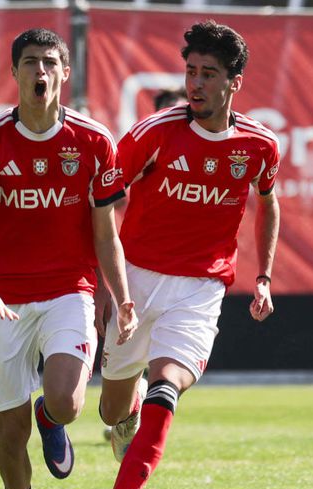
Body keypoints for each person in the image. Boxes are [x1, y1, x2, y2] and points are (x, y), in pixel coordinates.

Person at [80, 21, 281, 489]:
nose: (195, 84)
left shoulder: (259, 145)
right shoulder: (154, 132)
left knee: (167, 387)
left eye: (208, 74)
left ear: (233, 82)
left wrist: (262, 275)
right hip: (136, 281)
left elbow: (268, 201)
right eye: (190, 72)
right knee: (112, 406)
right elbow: (102, 197)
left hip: (201, 288)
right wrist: (104, 281)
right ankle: (126, 418)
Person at [0, 29, 138, 489]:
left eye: (50, 63)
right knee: (8, 436)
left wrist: (121, 295)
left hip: (70, 291)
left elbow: (106, 234)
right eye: (30, 62)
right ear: (14, 73)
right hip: (4, 302)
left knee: (65, 402)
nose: (41, 72)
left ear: (64, 74)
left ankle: (51, 416)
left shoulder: (93, 141)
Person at [102, 85, 188, 444]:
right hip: (131, 269)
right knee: (111, 405)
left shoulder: (207, 148)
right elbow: (106, 205)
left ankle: (150, 403)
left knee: (172, 363)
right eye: (169, 111)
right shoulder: (144, 147)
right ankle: (127, 406)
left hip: (186, 276)